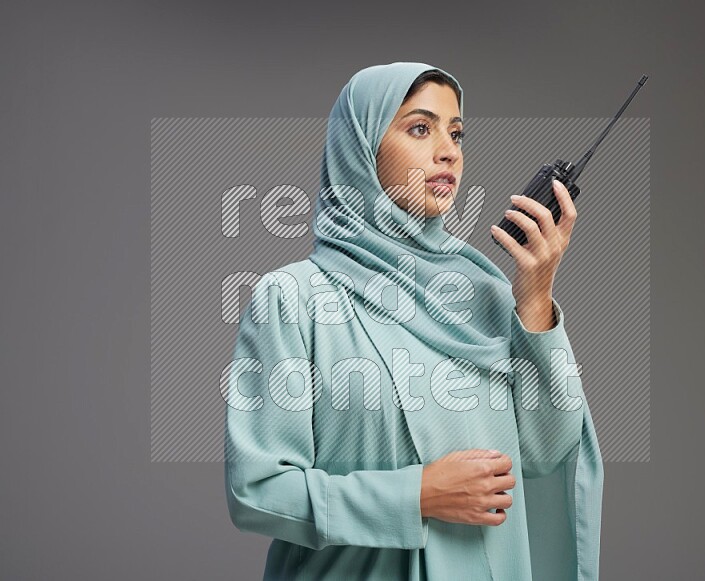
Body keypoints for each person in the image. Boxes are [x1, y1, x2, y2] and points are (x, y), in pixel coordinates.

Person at [224, 62, 604, 580]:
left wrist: (536, 298)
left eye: (457, 132)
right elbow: (257, 492)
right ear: (361, 149)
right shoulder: (294, 298)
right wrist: (417, 495)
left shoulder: (488, 296)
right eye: (420, 128)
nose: (448, 151)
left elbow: (545, 455)